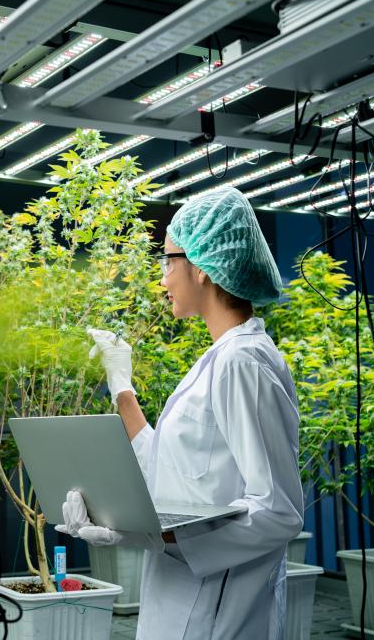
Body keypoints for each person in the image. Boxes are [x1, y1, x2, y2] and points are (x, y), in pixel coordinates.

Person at [55, 187, 304, 639]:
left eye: (168, 261)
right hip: (182, 602)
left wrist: (148, 533)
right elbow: (173, 471)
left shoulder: (242, 363)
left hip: (221, 614)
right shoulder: (220, 360)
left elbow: (277, 512)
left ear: (204, 268)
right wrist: (121, 387)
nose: (163, 278)